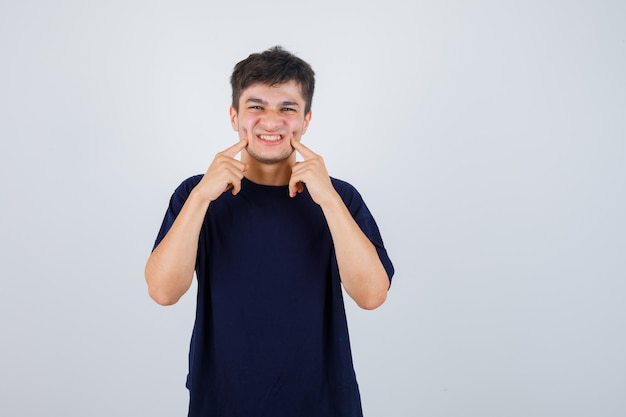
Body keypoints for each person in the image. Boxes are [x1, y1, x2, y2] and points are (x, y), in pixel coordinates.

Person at [145, 46, 394, 417]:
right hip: (222, 402)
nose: (271, 121)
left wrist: (327, 200)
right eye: (256, 106)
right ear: (235, 116)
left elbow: (372, 295)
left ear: (306, 119)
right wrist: (200, 198)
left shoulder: (338, 196)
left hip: (324, 404)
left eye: (287, 108)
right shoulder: (196, 194)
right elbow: (163, 291)